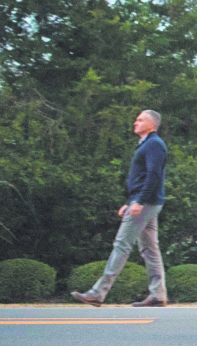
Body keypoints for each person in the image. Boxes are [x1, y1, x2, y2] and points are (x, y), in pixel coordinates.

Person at [71, 110, 169, 307]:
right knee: (150, 250)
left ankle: (97, 293)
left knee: (121, 245)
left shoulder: (154, 145)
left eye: (140, 120)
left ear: (151, 125)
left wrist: (139, 201)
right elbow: (143, 178)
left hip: (146, 203)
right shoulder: (148, 144)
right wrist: (130, 200)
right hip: (146, 201)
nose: (135, 122)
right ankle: (158, 295)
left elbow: (154, 175)